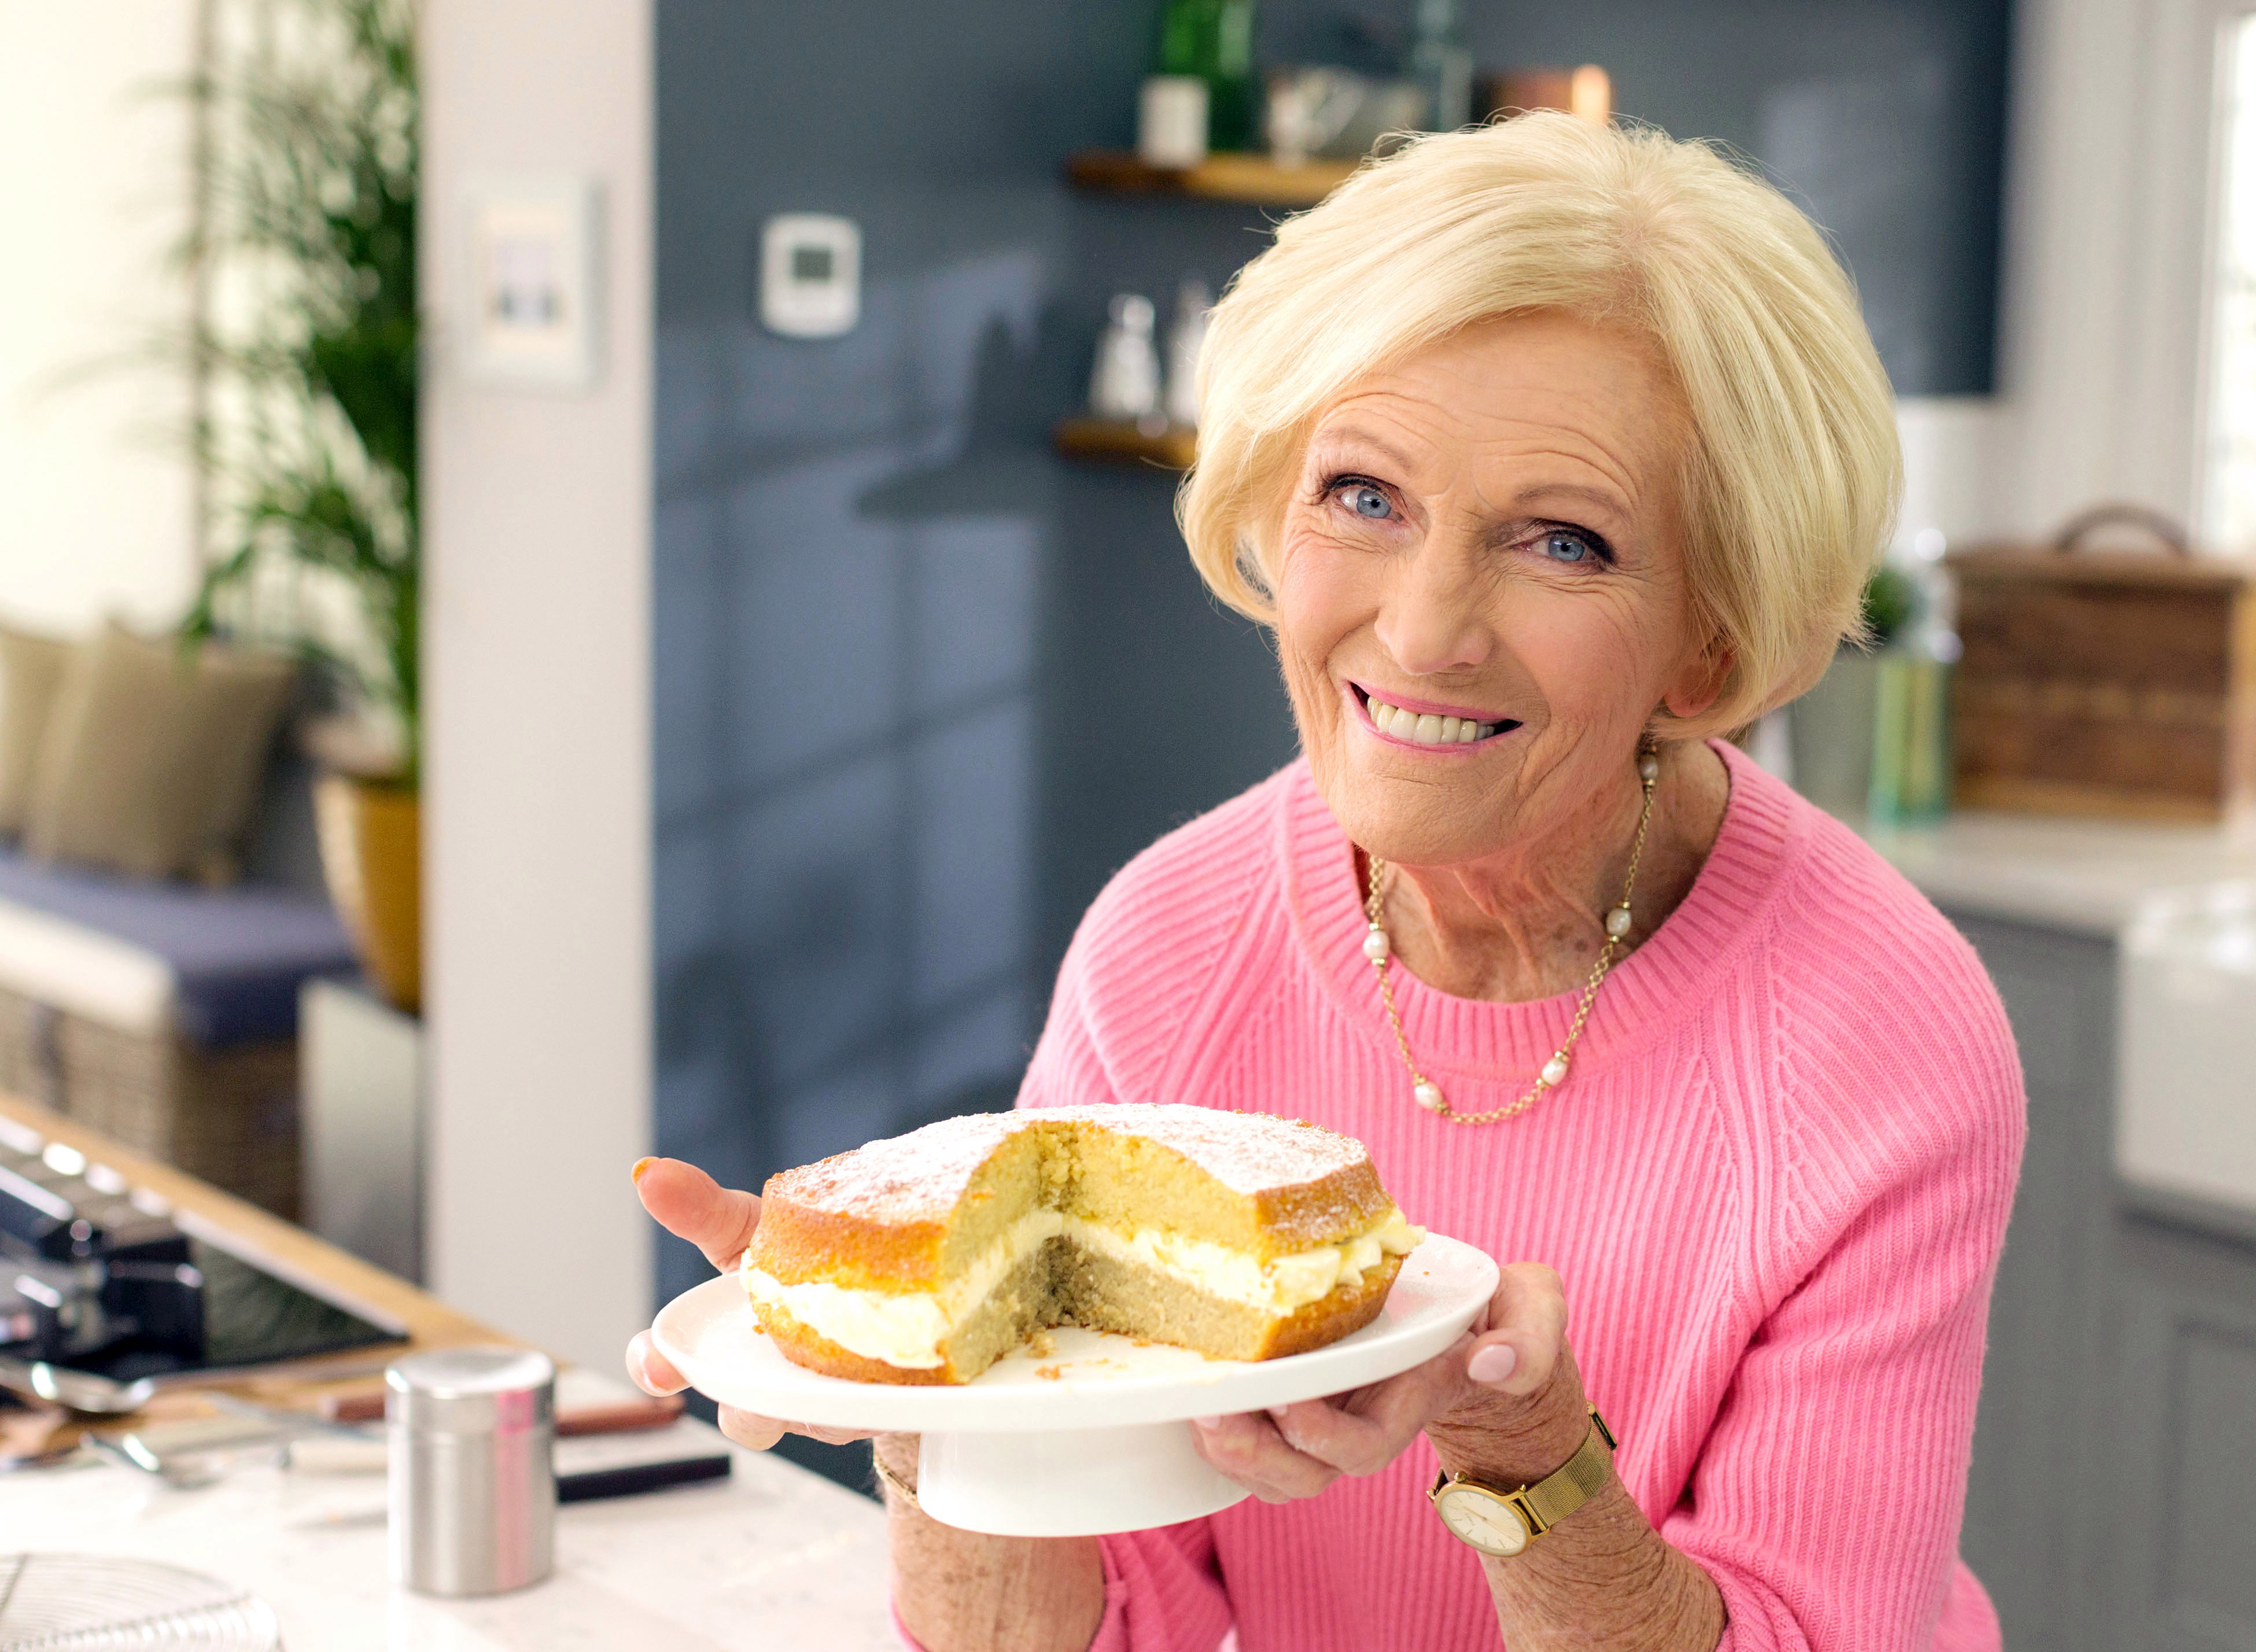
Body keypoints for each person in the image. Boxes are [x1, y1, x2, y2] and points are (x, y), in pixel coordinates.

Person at [628, 110, 2024, 1652]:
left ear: (1706, 642)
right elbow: (1089, 1631)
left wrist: (1525, 1453)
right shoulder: (1172, 944)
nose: (1423, 630)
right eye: (1363, 495)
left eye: (1559, 541)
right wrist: (919, 1396)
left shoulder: (1879, 1040)